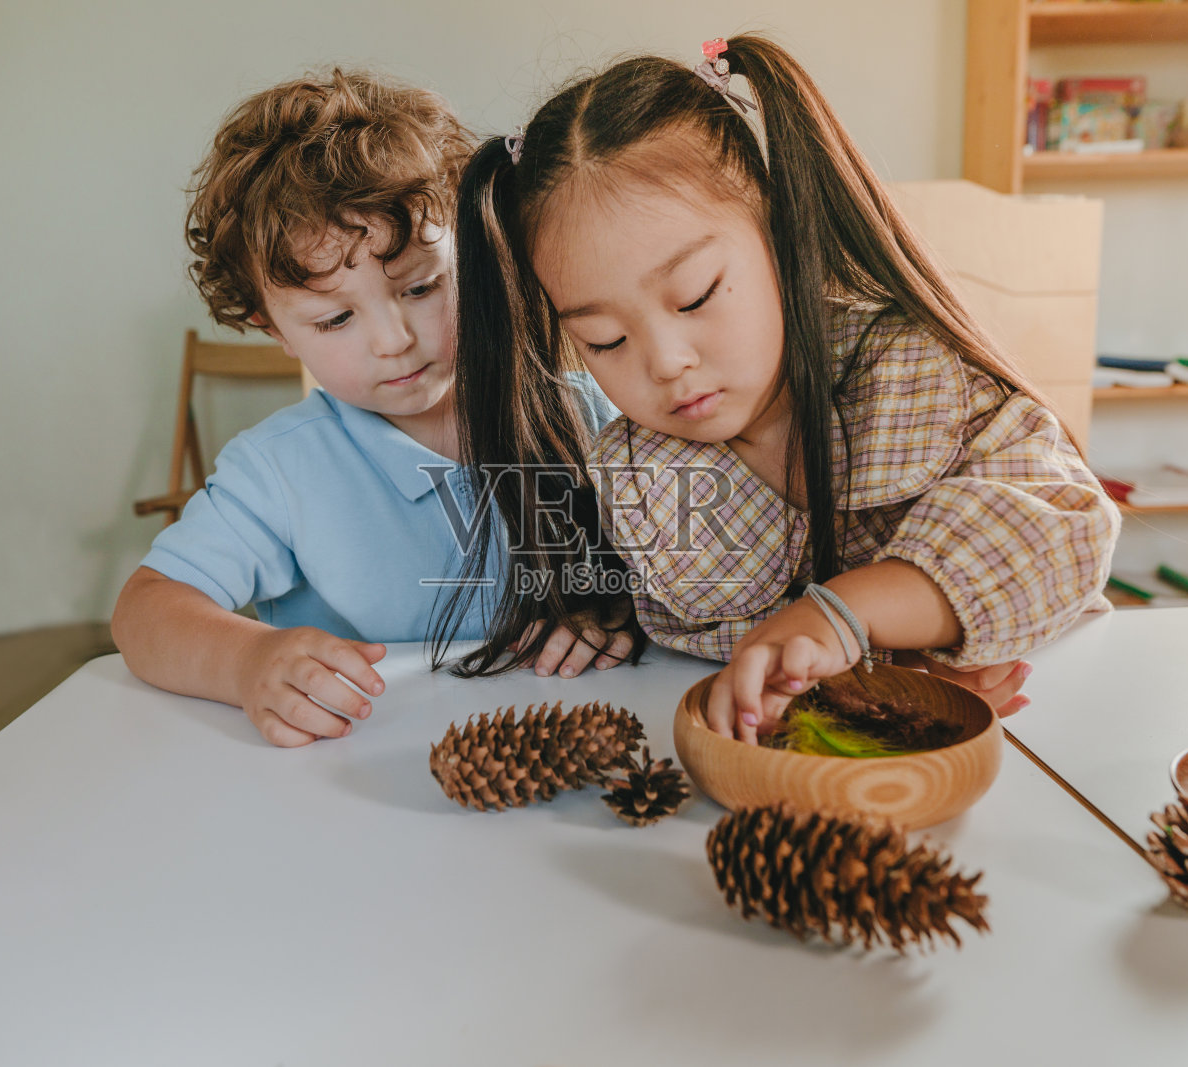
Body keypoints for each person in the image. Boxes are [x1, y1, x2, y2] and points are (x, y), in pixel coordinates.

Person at [443, 35, 1121, 743]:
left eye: (696, 295)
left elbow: (1062, 526)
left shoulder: (911, 371)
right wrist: (609, 615)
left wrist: (849, 616)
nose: (666, 362)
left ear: (778, 231)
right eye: (604, 339)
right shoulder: (642, 468)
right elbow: (691, 627)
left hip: (1064, 730)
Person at [112, 70, 632, 749]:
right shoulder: (281, 469)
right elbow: (145, 611)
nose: (394, 341)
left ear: (473, 254)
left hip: (574, 750)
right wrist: (245, 660)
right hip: (356, 769)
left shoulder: (594, 417)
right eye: (335, 320)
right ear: (276, 330)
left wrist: (617, 612)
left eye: (421, 287)